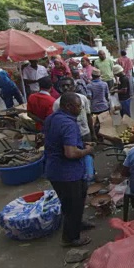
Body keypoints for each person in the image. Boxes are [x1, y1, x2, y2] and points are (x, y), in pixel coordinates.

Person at [44, 92, 96, 247]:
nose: (80, 109)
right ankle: (70, 238)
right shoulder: (68, 124)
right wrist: (87, 150)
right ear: (68, 106)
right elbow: (70, 153)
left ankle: (77, 223)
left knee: (77, 201)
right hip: (67, 173)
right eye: (78, 106)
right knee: (72, 205)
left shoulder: (52, 118)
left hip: (58, 170)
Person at [53, 77, 94, 142]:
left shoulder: (83, 98)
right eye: (63, 86)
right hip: (70, 136)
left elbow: (88, 116)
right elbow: (57, 123)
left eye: (68, 85)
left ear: (74, 87)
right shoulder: (57, 103)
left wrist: (93, 133)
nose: (65, 88)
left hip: (85, 133)